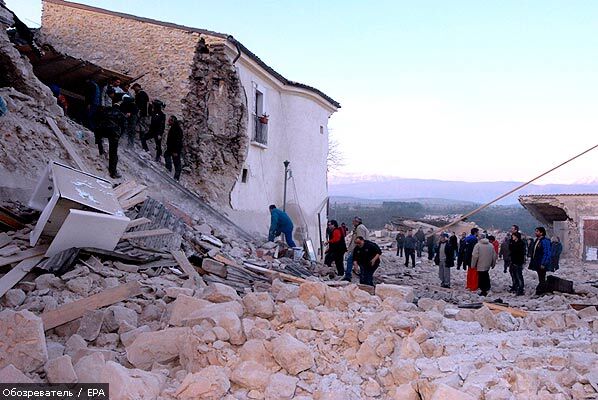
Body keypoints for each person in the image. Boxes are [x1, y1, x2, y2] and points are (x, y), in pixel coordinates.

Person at [96, 87, 125, 179]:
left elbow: (98, 119)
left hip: (102, 130)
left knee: (99, 139)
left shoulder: (106, 110)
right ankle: (113, 172)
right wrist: (119, 135)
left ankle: (100, 151)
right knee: (113, 152)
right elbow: (123, 127)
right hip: (113, 132)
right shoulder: (121, 114)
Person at [343, 217, 369, 281]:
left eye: (354, 222)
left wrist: (356, 249)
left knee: (350, 261)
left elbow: (360, 239)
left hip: (358, 249)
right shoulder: (361, 227)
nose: (353, 223)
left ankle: (348, 276)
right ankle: (363, 276)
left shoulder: (360, 228)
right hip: (359, 249)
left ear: (357, 222)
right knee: (359, 262)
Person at [528, 227, 552, 295]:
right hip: (537, 262)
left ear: (541, 233)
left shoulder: (545, 241)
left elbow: (547, 253)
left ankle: (541, 291)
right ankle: (541, 290)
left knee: (542, 277)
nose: (535, 232)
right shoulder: (537, 240)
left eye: (537, 231)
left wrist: (544, 263)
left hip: (541, 263)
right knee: (540, 277)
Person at [164, 115, 184, 181]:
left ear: (172, 121)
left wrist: (176, 151)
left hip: (175, 149)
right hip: (172, 148)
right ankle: (170, 171)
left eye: (169, 120)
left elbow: (178, 141)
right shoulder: (175, 128)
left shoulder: (176, 129)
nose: (168, 121)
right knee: (167, 155)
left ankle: (175, 176)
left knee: (177, 163)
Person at [509, 231, 526, 295]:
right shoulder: (513, 243)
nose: (512, 237)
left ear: (516, 237)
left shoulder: (520, 244)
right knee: (513, 275)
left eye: (513, 236)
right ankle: (515, 286)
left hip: (518, 262)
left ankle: (521, 289)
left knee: (519, 275)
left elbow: (517, 252)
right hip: (513, 261)